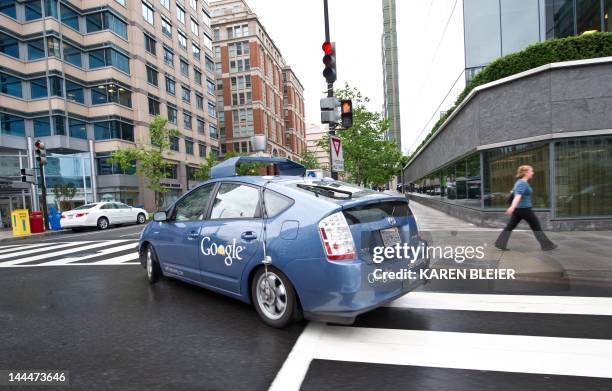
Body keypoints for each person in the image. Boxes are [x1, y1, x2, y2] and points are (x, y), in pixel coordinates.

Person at [494, 165, 557, 251]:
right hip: (524, 209)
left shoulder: (519, 182)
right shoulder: (522, 183)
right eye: (531, 171)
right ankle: (546, 245)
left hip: (519, 209)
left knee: (510, 226)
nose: (533, 172)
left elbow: (512, 192)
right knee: (536, 226)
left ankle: (500, 243)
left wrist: (514, 206)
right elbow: (517, 196)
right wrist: (512, 207)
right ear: (526, 173)